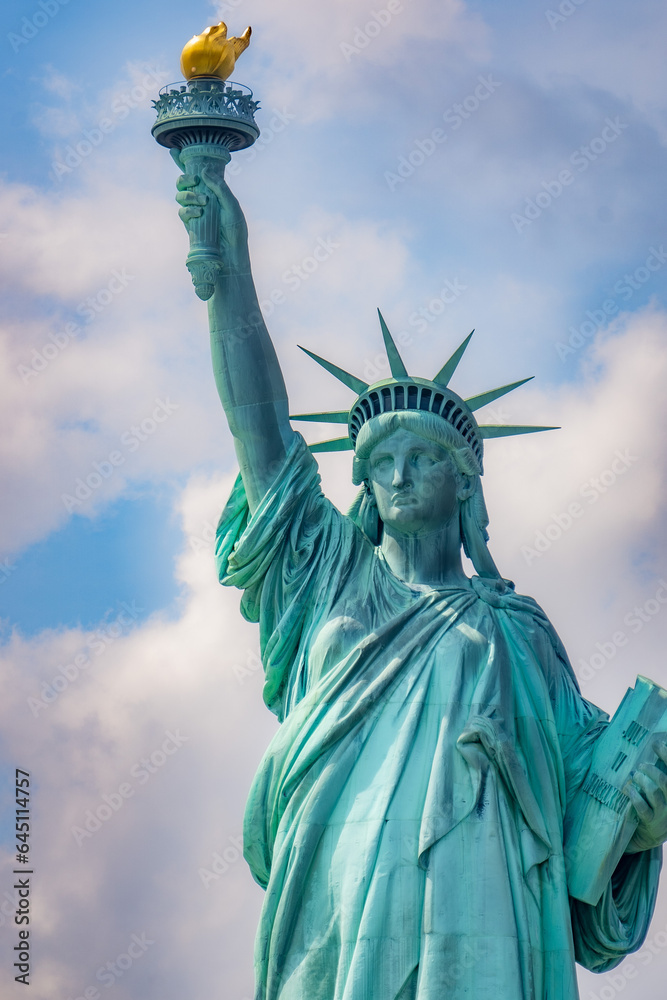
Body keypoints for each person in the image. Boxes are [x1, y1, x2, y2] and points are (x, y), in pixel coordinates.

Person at [176, 164, 667, 1000]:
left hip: (491, 905)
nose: (398, 476)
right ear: (360, 486)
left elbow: (590, 786)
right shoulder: (329, 579)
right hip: (338, 886)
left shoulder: (519, 632)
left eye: (422, 458)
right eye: (378, 464)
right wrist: (230, 272)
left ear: (465, 483)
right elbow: (256, 425)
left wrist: (643, 815)